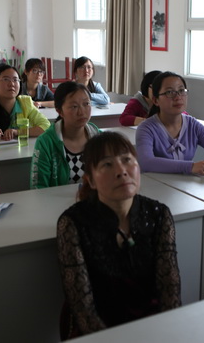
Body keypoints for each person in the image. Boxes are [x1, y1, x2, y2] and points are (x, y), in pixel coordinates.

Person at [56, 132, 181, 339]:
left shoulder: (158, 215)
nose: (121, 171)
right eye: (107, 164)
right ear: (91, 180)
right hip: (96, 331)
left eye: (127, 160)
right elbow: (83, 310)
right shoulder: (73, 223)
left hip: (151, 326)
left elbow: (170, 292)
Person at [135, 71, 204, 175]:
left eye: (181, 91)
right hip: (155, 184)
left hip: (185, 184)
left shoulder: (192, 125)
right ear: (156, 100)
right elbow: (146, 162)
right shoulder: (146, 128)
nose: (178, 97)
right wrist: (190, 167)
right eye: (169, 92)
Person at [31, 81, 101, 189]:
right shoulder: (46, 142)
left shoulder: (98, 137)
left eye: (86, 104)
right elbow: (38, 188)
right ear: (59, 111)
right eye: (74, 106)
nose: (82, 112)